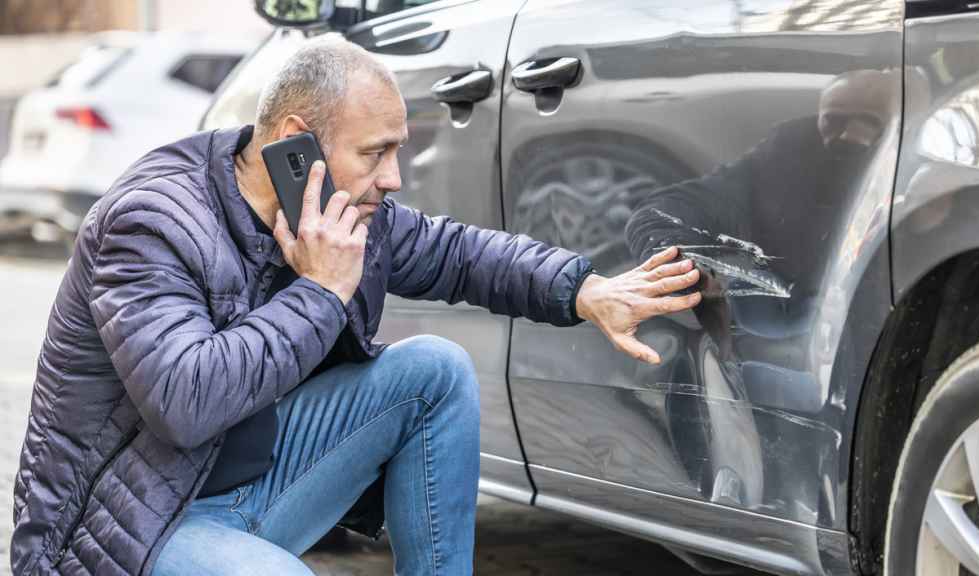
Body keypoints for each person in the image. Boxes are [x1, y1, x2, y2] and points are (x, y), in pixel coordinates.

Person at [10, 36, 702, 576]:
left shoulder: (344, 211)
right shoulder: (153, 221)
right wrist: (319, 291)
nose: (393, 178)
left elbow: (459, 253)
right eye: (375, 153)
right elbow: (185, 403)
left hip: (247, 490)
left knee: (433, 369)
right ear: (294, 140)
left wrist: (585, 290)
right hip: (130, 531)